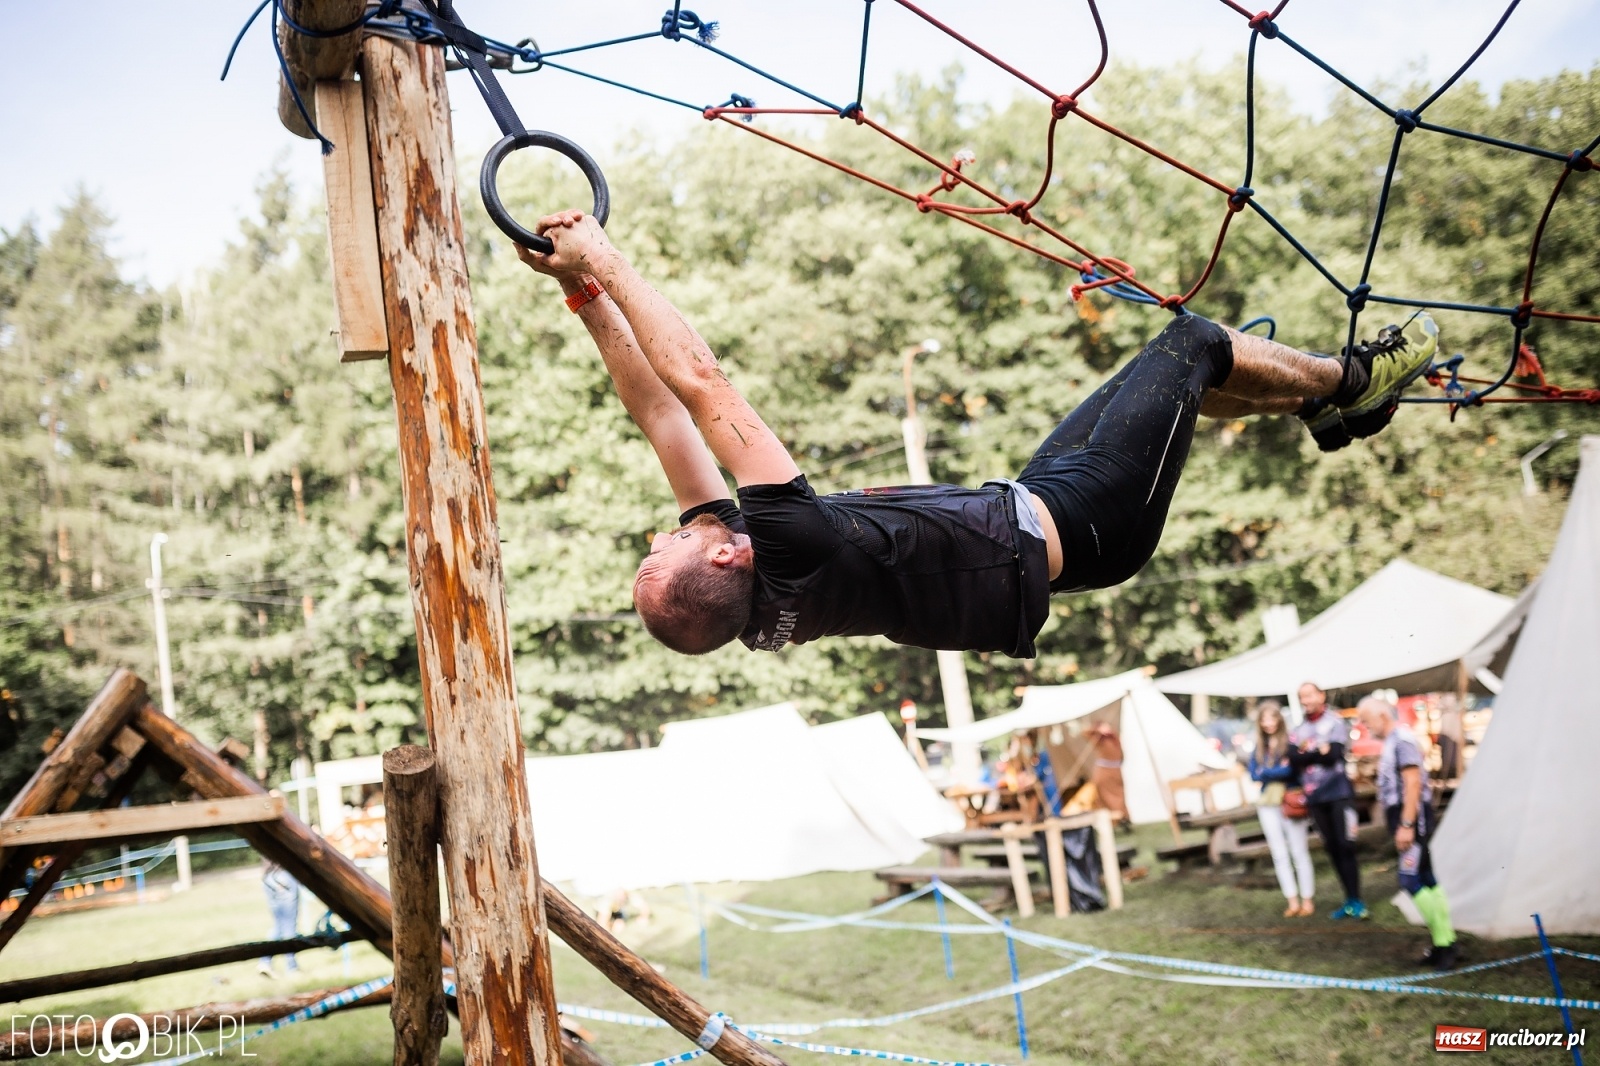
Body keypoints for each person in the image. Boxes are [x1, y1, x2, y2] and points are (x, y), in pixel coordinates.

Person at [519, 210, 1439, 657]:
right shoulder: (790, 545)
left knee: (1190, 381)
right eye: (672, 540)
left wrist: (584, 296)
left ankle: (1312, 403)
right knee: (1194, 343)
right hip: (1087, 521)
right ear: (725, 562)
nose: (666, 527)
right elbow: (701, 384)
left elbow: (661, 413)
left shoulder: (755, 591)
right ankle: (1352, 385)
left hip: (1036, 505)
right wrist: (611, 258)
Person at [1358, 696, 1459, 970]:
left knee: (1409, 879)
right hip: (1408, 817)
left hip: (1411, 818)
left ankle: (1444, 946)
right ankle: (1445, 941)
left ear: (1381, 716)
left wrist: (1406, 825)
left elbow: (1412, 783)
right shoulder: (1393, 741)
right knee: (1427, 879)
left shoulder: (1401, 739)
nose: (1365, 727)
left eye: (1366, 722)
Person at [1289, 682, 1366, 919]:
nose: (1306, 701)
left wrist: (1308, 755)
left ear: (1321, 695)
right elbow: (1292, 758)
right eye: (1302, 697)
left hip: (1339, 794)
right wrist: (1317, 753)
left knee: (1345, 845)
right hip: (1315, 797)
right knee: (1331, 848)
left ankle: (1357, 899)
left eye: (1309, 695)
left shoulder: (1334, 722)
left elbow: (1335, 754)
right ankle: (1348, 900)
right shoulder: (1299, 727)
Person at [1248, 700, 1316, 918]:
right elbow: (1253, 774)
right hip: (1267, 803)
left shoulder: (1290, 742)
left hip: (1289, 800)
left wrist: (1267, 772)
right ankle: (1292, 900)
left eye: (1272, 717)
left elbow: (1292, 772)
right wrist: (1274, 770)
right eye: (1264, 719)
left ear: (1279, 719)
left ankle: (1307, 899)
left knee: (1299, 851)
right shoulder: (1259, 746)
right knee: (1279, 853)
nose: (1268, 723)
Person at [258, 860, 302, 977]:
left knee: (279, 926)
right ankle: (292, 967)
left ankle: (265, 961)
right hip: (283, 875)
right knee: (289, 925)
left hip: (268, 876)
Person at [1089, 722, 1129, 826]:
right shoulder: (1099, 738)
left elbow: (1121, 754)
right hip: (1104, 772)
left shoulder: (1114, 738)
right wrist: (1098, 731)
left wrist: (1110, 732)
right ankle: (1114, 821)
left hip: (1115, 771)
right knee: (1105, 798)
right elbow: (1085, 732)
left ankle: (1123, 818)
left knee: (1119, 796)